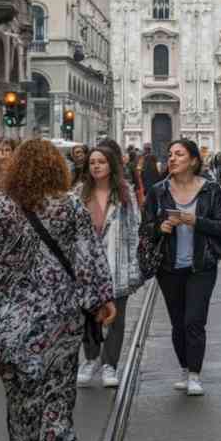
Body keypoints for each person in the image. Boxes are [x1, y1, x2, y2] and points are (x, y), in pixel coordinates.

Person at [0, 140, 116, 441]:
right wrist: (102, 300)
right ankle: (55, 439)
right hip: (61, 316)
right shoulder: (71, 207)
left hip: (10, 319)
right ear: (56, 168)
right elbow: (89, 258)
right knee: (58, 384)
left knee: (19, 393)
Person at [141, 140, 221, 397]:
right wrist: (160, 227)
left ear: (193, 160)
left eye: (178, 154)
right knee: (178, 323)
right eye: (169, 154)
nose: (172, 158)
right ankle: (184, 368)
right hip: (169, 266)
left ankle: (194, 373)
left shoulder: (210, 190)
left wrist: (197, 221)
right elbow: (145, 226)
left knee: (194, 320)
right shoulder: (158, 191)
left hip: (201, 266)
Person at [75, 144, 142, 389]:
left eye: (101, 162)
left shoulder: (125, 194)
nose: (96, 166)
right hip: (87, 268)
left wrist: (133, 265)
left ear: (111, 165)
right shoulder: (79, 194)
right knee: (90, 316)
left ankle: (109, 364)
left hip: (117, 264)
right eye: (92, 162)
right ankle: (91, 359)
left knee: (117, 318)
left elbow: (135, 230)